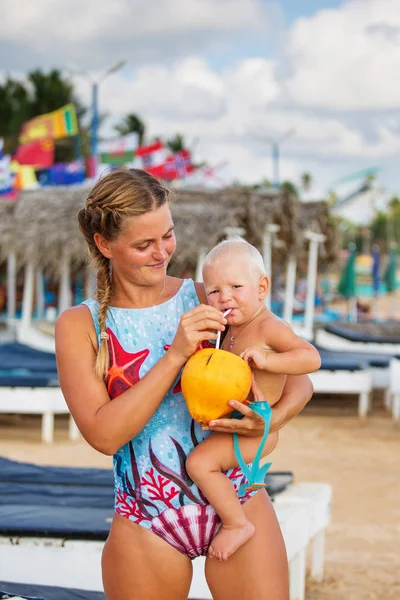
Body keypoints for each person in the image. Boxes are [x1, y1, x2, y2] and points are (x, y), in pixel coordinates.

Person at [56, 168, 315, 600]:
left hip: (236, 494)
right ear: (105, 244)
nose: (162, 253)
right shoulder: (80, 325)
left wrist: (266, 422)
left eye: (168, 236)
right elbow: (103, 435)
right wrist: (175, 354)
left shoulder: (208, 296)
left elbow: (300, 380)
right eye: (144, 244)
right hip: (145, 516)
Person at [185, 238, 321, 562]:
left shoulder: (268, 327)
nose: (224, 297)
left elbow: (310, 358)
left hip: (259, 427)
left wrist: (268, 360)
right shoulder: (228, 329)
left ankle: (236, 524)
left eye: (235, 286)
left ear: (261, 287)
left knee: (199, 464)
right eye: (215, 291)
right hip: (237, 423)